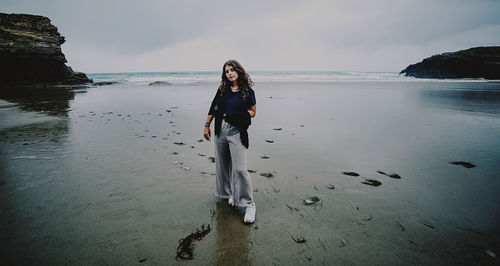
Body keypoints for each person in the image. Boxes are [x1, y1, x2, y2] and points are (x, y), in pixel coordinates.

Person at [204, 60, 257, 224]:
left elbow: (253, 112)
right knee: (222, 165)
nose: (230, 73)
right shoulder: (222, 90)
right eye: (227, 71)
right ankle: (226, 195)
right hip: (220, 130)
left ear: (239, 71)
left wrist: (238, 115)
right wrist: (207, 125)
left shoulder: (247, 92)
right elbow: (213, 107)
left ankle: (248, 204)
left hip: (237, 131)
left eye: (232, 70)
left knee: (240, 169)